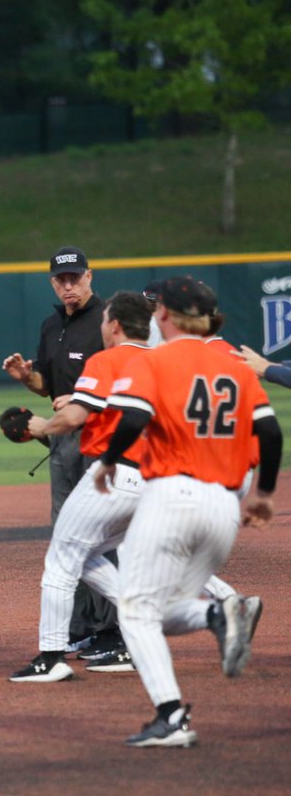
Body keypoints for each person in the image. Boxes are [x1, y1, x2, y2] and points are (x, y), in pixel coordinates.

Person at [94, 276, 279, 747]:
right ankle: (223, 613)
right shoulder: (234, 367)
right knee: (164, 608)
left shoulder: (155, 360)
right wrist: (264, 493)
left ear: (164, 317)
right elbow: (272, 434)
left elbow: (133, 417)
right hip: (223, 505)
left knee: (135, 610)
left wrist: (110, 460)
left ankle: (172, 716)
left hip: (172, 495)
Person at [2, 246, 117, 657]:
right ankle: (83, 625)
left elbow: (125, 381)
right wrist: (26, 377)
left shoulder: (108, 323)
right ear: (53, 282)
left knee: (102, 534)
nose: (68, 284)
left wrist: (79, 400)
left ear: (90, 276)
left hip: (101, 437)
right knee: (67, 533)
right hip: (65, 441)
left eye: (75, 277)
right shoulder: (52, 325)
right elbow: (48, 387)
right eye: (61, 279)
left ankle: (112, 629)